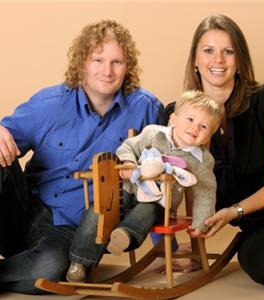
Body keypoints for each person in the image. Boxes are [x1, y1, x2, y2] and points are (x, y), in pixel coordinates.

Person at [0, 19, 164, 294]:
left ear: (128, 66)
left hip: (72, 232)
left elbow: (156, 180)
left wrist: (164, 244)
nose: (107, 72)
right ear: (82, 63)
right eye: (97, 60)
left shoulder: (146, 110)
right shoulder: (49, 104)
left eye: (117, 62)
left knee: (50, 270)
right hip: (23, 211)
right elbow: (6, 138)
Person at [165, 14, 264, 287]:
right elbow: (188, 184)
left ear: (239, 61)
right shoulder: (177, 115)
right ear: (195, 60)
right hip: (260, 225)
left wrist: (234, 211)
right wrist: (195, 247)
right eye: (209, 51)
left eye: (228, 51)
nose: (218, 60)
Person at [66, 90, 223, 282]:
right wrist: (128, 163)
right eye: (190, 119)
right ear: (173, 119)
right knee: (98, 210)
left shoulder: (202, 159)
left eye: (204, 126)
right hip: (128, 189)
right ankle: (79, 263)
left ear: (209, 135)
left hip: (160, 202)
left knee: (146, 212)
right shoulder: (152, 133)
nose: (194, 128)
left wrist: (200, 224)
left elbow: (205, 192)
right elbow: (128, 147)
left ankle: (124, 235)